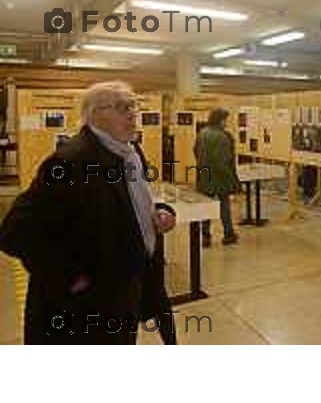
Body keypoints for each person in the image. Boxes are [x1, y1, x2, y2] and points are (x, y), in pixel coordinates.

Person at [0, 81, 176, 344]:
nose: (132, 113)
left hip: (126, 290)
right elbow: (15, 232)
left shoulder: (129, 151)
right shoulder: (72, 161)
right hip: (86, 308)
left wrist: (161, 211)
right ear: (93, 114)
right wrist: (70, 278)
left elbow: (134, 200)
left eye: (133, 105)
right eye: (121, 107)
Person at [194, 108, 240, 245]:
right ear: (220, 120)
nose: (227, 122)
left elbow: (195, 151)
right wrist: (232, 178)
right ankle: (228, 234)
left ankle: (206, 237)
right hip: (220, 177)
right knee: (224, 206)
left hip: (204, 175)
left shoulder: (202, 133)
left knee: (206, 207)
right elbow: (223, 160)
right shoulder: (223, 137)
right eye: (226, 119)